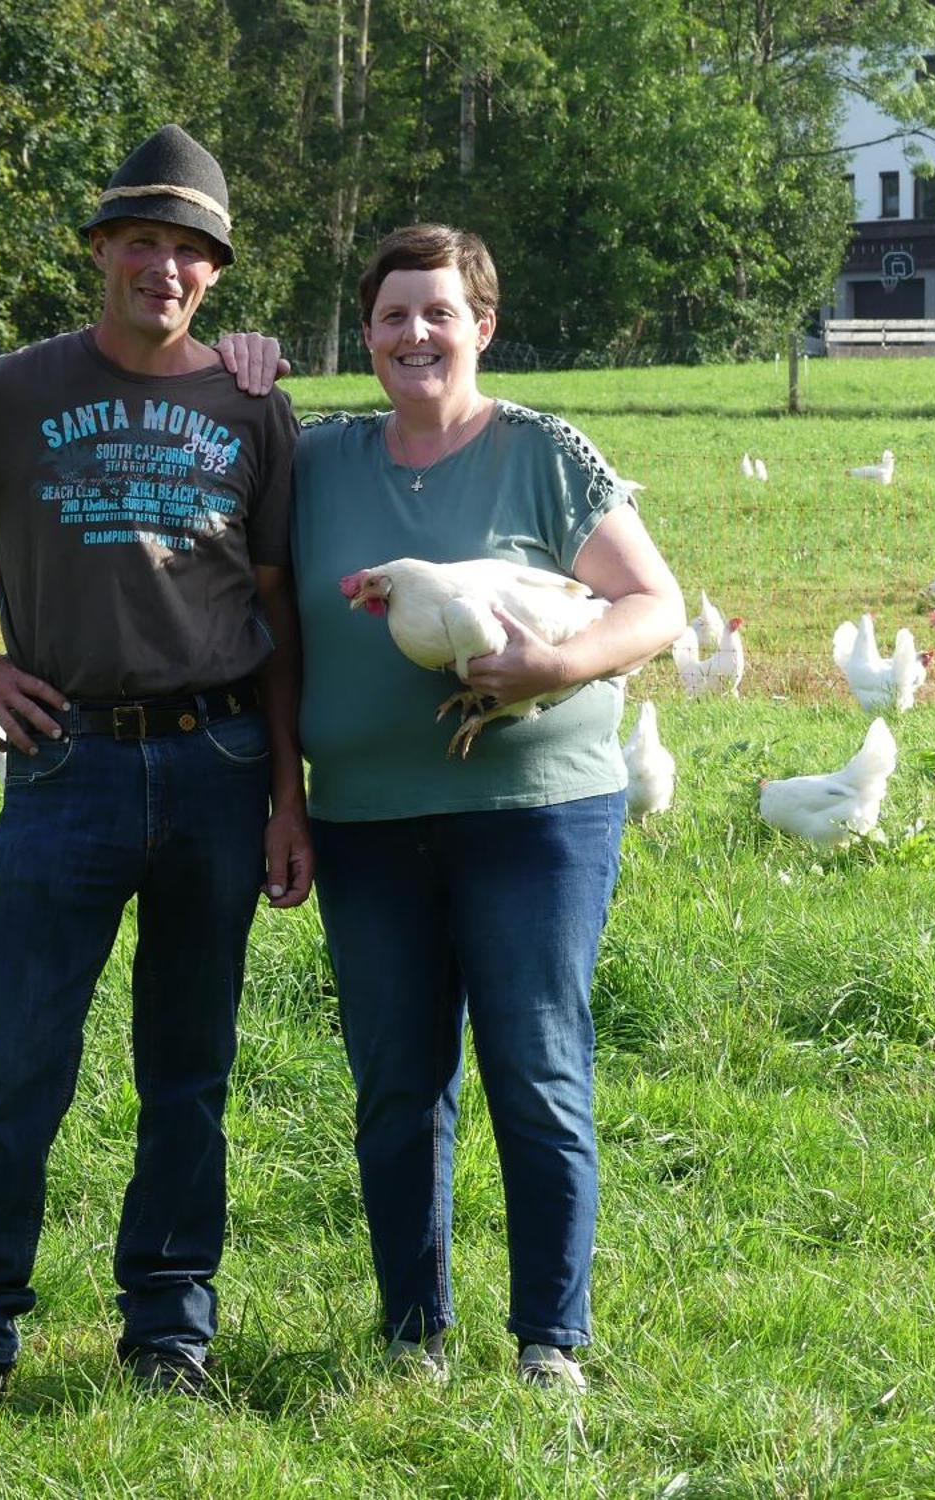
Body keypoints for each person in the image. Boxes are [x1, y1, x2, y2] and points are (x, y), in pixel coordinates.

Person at [0, 124, 311, 1407]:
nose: (164, 267)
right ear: (101, 251)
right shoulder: (12, 392)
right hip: (67, 764)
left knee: (188, 1072)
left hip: (213, 761)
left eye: (190, 250)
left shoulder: (255, 405)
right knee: (16, 1067)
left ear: (214, 273)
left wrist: (283, 793)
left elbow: (276, 612)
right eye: (142, 241)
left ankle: (169, 1337)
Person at [289, 224, 684, 1390]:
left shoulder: (542, 452)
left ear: (481, 327)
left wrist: (557, 671)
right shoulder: (317, 461)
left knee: (535, 1065)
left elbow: (651, 604)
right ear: (364, 335)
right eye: (393, 315)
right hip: (363, 817)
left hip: (536, 814)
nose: (416, 334)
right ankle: (414, 1334)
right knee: (397, 1081)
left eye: (439, 312)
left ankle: (547, 1341)